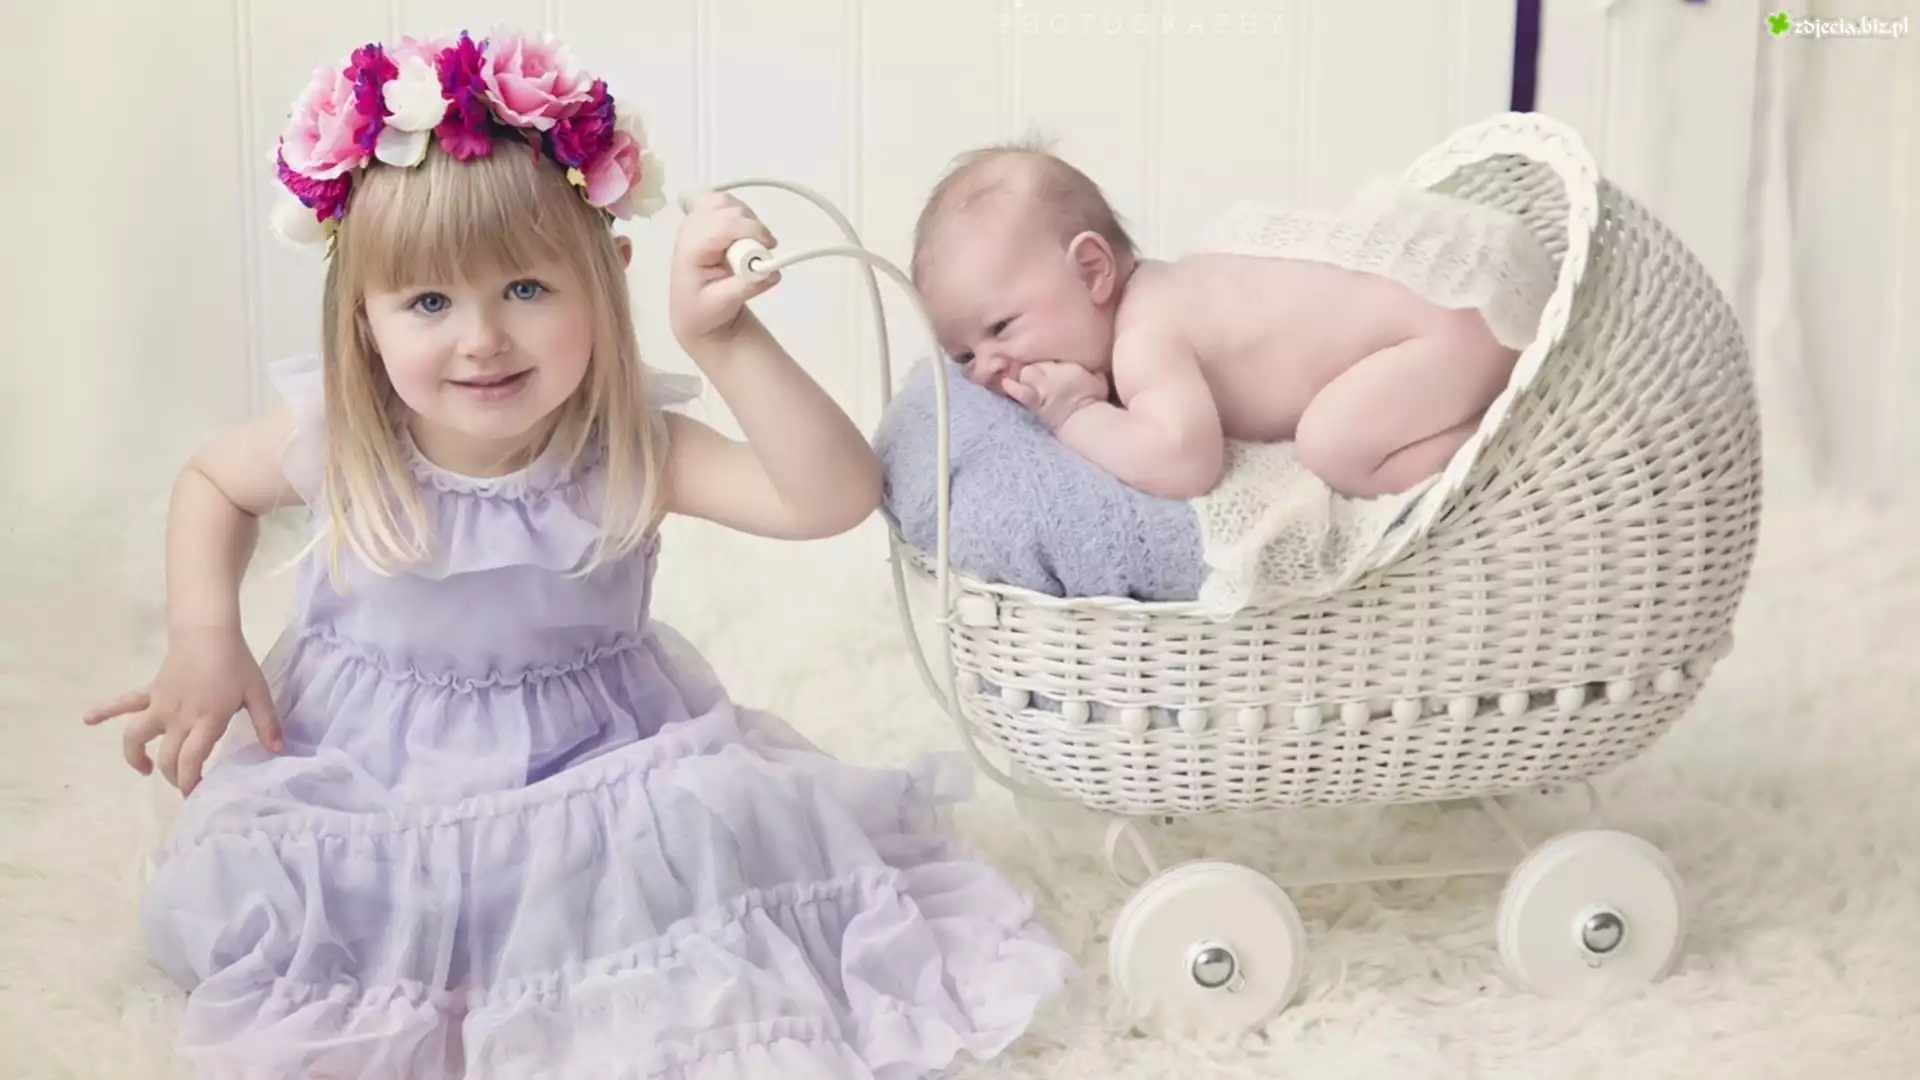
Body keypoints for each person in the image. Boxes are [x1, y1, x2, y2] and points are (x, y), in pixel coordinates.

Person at [82, 28, 1074, 1079]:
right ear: (363, 321)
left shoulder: (626, 449)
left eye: (526, 289)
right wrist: (205, 633)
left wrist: (725, 340)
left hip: (593, 757)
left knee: (706, 841)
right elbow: (211, 483)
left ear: (606, 280)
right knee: (296, 891)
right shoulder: (342, 434)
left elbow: (828, 498)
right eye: (429, 302)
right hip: (371, 765)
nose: (481, 339)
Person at [909, 141, 1527, 500]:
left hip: (1443, 339)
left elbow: (1185, 461)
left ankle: (1507, 443)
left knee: (1334, 448)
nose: (985, 370)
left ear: (1092, 271)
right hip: (1439, 317)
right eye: (962, 355)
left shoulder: (1145, 337)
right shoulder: (1158, 294)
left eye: (1000, 328)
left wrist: (1075, 414)